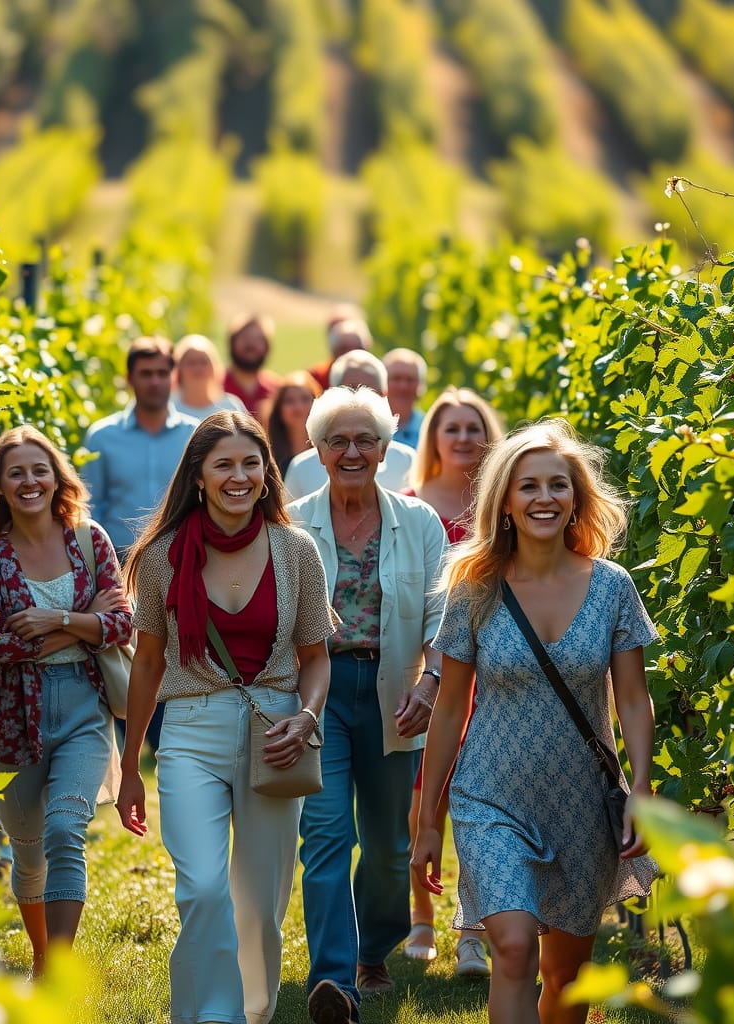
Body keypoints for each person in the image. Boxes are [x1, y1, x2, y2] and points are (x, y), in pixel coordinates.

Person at [412, 419, 659, 1024]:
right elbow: (449, 709)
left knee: (564, 977)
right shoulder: (474, 588)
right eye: (528, 486)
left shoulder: (612, 588)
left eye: (557, 485)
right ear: (504, 501)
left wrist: (643, 791)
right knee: (515, 951)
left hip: (580, 801)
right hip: (489, 794)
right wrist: (426, 822)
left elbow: (631, 698)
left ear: (577, 497)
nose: (543, 498)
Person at [116, 411, 336, 1024]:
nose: (239, 477)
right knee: (204, 888)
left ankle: (253, 1011)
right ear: (199, 477)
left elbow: (315, 657)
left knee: (261, 901)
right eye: (224, 465)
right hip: (190, 730)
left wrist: (307, 715)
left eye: (251, 464)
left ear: (267, 474)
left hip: (276, 733)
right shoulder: (162, 556)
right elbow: (149, 662)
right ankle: (212, 1016)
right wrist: (132, 766)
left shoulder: (297, 551)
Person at [287, 387, 447, 1024]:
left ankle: (373, 948)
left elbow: (441, 610)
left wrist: (431, 683)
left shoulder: (421, 524)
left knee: (385, 846)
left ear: (386, 450)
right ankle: (333, 978)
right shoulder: (293, 523)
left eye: (365, 440)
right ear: (319, 451)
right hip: (317, 693)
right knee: (325, 833)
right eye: (337, 440)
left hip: (394, 691)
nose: (351, 451)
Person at [0, 425, 133, 977]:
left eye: (39, 469)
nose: (29, 481)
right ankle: (41, 955)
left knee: (67, 830)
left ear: (57, 476)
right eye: (15, 472)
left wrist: (58, 621)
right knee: (28, 851)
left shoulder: (89, 540)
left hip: (83, 706)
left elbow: (124, 623)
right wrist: (84, 622)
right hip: (11, 715)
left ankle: (55, 977)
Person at [401, 388, 503, 974]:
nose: (463, 438)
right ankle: (421, 914)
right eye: (451, 428)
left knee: (480, 796)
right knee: (422, 794)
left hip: (494, 669)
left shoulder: (500, 507)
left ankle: (473, 930)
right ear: (433, 438)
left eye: (473, 427)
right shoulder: (412, 507)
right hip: (424, 666)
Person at [82, 336, 199, 561]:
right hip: (118, 561)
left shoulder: (194, 434)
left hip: (183, 558)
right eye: (146, 374)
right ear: (129, 379)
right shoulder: (101, 437)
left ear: (173, 378)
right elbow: (91, 507)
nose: (154, 381)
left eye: (162, 373)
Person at [283, 351, 417, 499]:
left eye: (369, 393)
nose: (359, 402)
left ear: (384, 396)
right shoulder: (302, 469)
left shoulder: (406, 461)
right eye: (351, 391)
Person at [171, 333, 246, 421]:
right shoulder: (169, 407)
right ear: (179, 369)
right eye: (191, 362)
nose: (198, 368)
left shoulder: (231, 406)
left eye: (203, 362)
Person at [264, 370, 322, 477]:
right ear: (278, 410)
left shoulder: (329, 456)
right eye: (289, 401)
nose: (298, 408)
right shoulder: (265, 460)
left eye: (305, 399)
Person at [223, 313, 281, 419]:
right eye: (245, 337)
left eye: (258, 339)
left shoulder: (276, 390)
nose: (251, 344)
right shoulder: (215, 386)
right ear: (232, 342)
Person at [307, 314, 372, 392]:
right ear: (333, 351)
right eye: (344, 349)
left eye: (358, 348)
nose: (351, 354)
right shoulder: (316, 378)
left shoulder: (378, 377)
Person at [383, 348, 428, 448]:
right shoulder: (367, 428)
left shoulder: (430, 429)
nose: (403, 387)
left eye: (410, 379)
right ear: (382, 383)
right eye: (396, 378)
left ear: (421, 386)